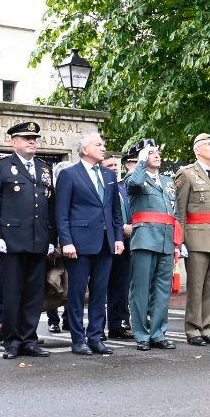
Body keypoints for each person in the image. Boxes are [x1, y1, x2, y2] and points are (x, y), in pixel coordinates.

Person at [0, 121, 57, 359]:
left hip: (38, 239)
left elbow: (50, 205)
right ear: (13, 141)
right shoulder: (2, 166)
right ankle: (12, 340)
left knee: (34, 294)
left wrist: (51, 237)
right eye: (27, 138)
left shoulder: (44, 168)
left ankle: (29, 338)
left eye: (35, 138)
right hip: (12, 239)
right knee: (13, 292)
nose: (32, 142)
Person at [54, 131, 123, 356]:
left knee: (99, 292)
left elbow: (115, 211)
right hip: (79, 243)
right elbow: (61, 212)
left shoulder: (109, 175)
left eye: (103, 144)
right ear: (84, 149)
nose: (103, 148)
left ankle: (95, 336)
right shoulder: (69, 174)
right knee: (76, 293)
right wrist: (66, 241)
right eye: (98, 145)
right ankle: (78, 339)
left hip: (105, 242)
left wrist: (118, 238)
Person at [174, 133, 210, 347]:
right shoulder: (186, 174)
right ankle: (193, 329)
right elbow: (180, 211)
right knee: (196, 287)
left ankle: (206, 328)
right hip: (196, 237)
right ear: (197, 149)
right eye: (208, 144)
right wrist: (182, 241)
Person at [123, 140, 180, 351]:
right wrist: (141, 161)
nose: (156, 155)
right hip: (145, 238)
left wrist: (178, 240)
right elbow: (134, 184)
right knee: (140, 289)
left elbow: (174, 211)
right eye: (151, 152)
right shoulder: (135, 176)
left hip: (166, 238)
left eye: (157, 152)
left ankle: (158, 333)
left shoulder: (167, 181)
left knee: (163, 290)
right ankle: (141, 334)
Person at [104, 152, 135, 339]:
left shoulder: (123, 188)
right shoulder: (102, 187)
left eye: (115, 166)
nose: (114, 169)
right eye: (109, 166)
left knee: (121, 286)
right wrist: (121, 227)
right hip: (106, 241)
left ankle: (119, 324)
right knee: (102, 287)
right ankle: (98, 327)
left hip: (125, 244)